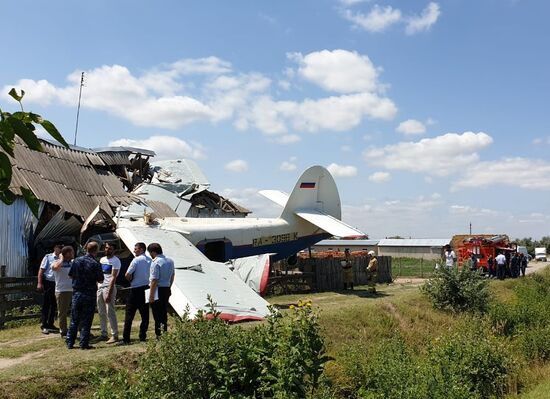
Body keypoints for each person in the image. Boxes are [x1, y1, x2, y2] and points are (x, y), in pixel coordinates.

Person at [66, 241, 104, 350]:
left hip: (77, 293)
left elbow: (70, 276)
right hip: (89, 294)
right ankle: (84, 343)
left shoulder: (77, 261)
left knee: (74, 319)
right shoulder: (95, 263)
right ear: (96, 250)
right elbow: (100, 279)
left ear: (86, 249)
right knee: (86, 320)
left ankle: (70, 342)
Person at [120, 242, 151, 345]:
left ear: (142, 249)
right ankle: (142, 336)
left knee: (129, 315)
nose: (134, 251)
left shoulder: (136, 260)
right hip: (146, 288)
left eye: (136, 249)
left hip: (135, 289)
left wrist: (131, 280)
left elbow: (127, 274)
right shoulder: (150, 260)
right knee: (145, 315)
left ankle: (126, 338)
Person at [148, 243, 175, 338]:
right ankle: (164, 332)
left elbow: (154, 280)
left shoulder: (155, 262)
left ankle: (159, 334)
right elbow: (172, 275)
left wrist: (151, 295)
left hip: (157, 289)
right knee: (163, 312)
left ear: (153, 252)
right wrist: (169, 286)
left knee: (157, 313)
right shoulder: (170, 261)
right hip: (166, 288)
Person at [97, 242, 121, 344]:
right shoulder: (102, 259)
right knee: (101, 311)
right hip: (100, 287)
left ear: (114, 250)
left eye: (110, 248)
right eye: (106, 248)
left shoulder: (116, 261)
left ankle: (114, 335)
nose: (107, 250)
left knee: (110, 312)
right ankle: (103, 333)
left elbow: (113, 278)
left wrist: (109, 293)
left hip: (108, 287)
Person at [37, 243, 62, 334]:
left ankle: (51, 323)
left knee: (54, 304)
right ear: (55, 248)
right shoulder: (48, 257)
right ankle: (44, 324)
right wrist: (39, 283)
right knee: (46, 304)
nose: (60, 249)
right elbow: (41, 270)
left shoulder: (62, 258)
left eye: (61, 248)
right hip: (48, 283)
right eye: (59, 247)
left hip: (58, 283)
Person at [51, 246, 74, 338]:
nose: (73, 254)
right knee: (62, 312)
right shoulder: (56, 262)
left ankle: (75, 329)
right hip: (62, 291)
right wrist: (61, 258)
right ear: (67, 253)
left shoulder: (72, 263)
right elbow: (56, 268)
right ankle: (63, 331)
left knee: (75, 311)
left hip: (73, 289)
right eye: (71, 252)